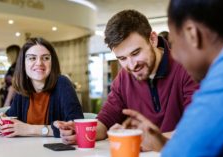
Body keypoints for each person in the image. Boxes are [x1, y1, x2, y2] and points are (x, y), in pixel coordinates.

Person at [56, 9, 199, 145]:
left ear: (153, 39)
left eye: (136, 53)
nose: (131, 65)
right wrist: (82, 132)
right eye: (122, 58)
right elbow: (105, 122)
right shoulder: (123, 79)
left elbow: (196, 127)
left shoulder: (189, 66)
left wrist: (147, 139)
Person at [116, 0, 223, 156]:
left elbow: (182, 151)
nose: (174, 54)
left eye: (174, 43)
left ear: (192, 34)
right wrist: (161, 141)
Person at [0, 37, 83, 137]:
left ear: (52, 63)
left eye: (45, 58)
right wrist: (2, 124)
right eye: (32, 58)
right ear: (23, 64)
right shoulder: (23, 90)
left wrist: (29, 129)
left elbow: (77, 127)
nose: (39, 63)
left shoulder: (62, 83)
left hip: (57, 151)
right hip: (27, 151)